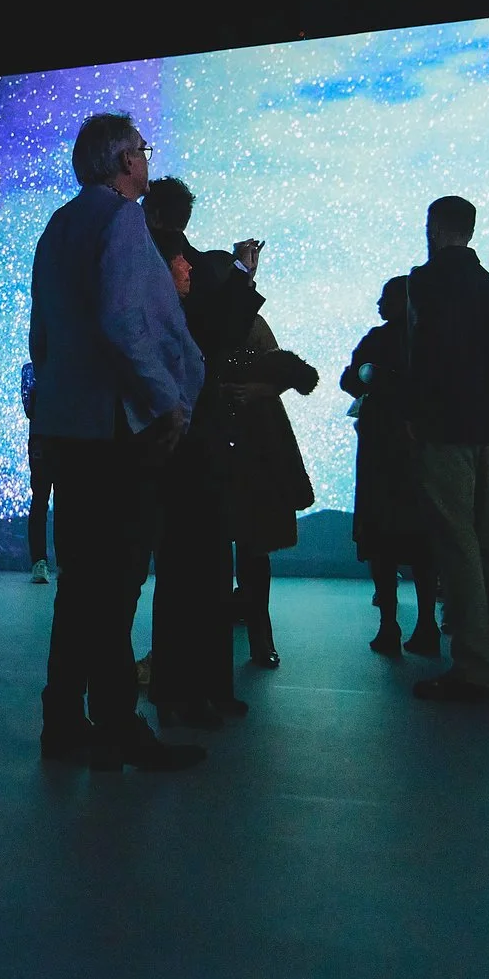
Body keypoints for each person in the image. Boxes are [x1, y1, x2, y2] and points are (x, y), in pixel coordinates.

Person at [28, 113, 206, 771]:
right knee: (117, 580)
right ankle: (118, 721)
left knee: (81, 582)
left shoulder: (58, 225)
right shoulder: (124, 220)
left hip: (71, 426)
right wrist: (167, 399)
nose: (146, 160)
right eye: (142, 150)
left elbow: (41, 331)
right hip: (116, 429)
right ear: (123, 161)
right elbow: (125, 320)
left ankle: (64, 718)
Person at [403, 197, 489, 704]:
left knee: (457, 542)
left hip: (444, 429)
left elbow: (422, 359)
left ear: (434, 228)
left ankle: (473, 665)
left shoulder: (424, 283)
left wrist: (417, 415)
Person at [148, 239, 263, 725]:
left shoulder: (167, 312)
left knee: (187, 576)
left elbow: (222, 326)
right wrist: (241, 271)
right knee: (200, 574)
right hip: (197, 456)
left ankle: (185, 689)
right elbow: (226, 326)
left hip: (184, 455)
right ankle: (195, 689)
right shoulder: (187, 317)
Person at [228, 258, 318, 671]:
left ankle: (257, 633)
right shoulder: (247, 324)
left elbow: (299, 373)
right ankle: (257, 635)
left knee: (251, 544)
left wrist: (259, 389)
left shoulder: (246, 324)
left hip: (252, 447)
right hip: (250, 445)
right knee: (250, 545)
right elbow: (299, 374)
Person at [345, 278, 438, 658]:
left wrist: (373, 376)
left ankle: (389, 626)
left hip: (380, 451)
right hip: (418, 452)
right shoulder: (429, 340)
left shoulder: (378, 339)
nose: (380, 303)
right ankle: (427, 624)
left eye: (386, 297)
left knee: (381, 538)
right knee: (422, 541)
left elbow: (350, 381)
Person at [22, 361, 54, 583]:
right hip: (42, 439)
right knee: (41, 498)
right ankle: (39, 561)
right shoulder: (31, 370)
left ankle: (61, 562)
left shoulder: (68, 366)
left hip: (57, 438)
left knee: (55, 498)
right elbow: (29, 407)